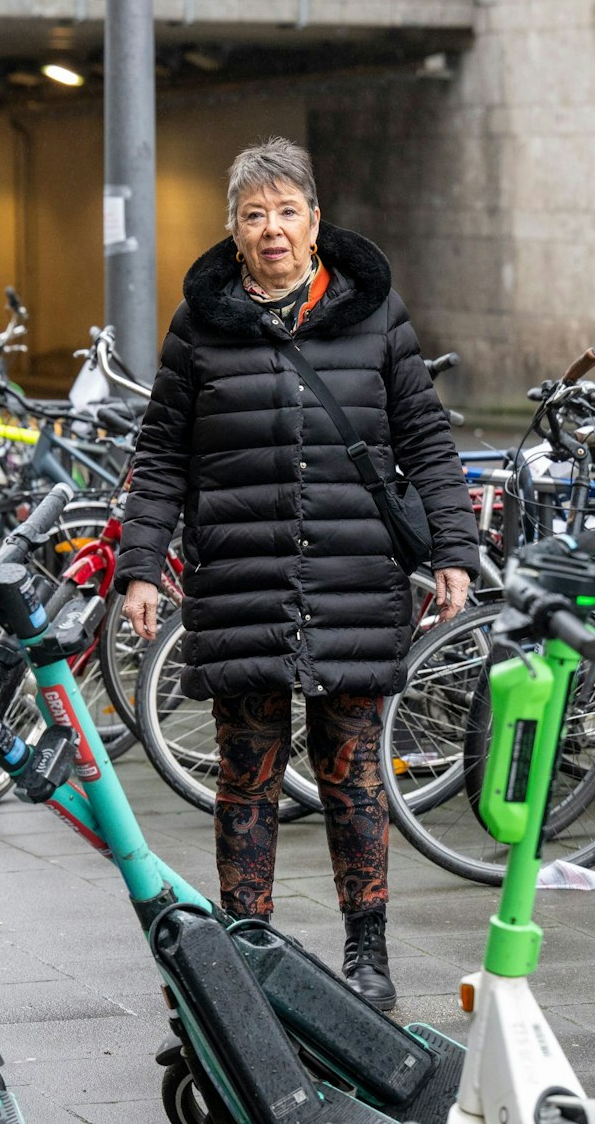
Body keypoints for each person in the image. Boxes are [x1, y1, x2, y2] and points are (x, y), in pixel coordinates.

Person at [115, 137, 479, 1010]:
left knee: (353, 773)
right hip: (244, 579)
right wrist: (139, 565)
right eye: (253, 215)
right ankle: (247, 944)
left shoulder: (375, 316)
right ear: (232, 230)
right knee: (245, 775)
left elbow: (424, 436)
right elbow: (162, 454)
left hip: (354, 576)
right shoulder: (199, 327)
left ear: (316, 223)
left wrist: (455, 550)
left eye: (286, 212)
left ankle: (367, 953)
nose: (271, 230)